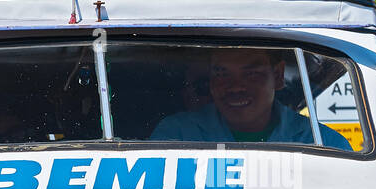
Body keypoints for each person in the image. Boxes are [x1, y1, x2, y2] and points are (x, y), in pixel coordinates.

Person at [151, 48, 352, 150]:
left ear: (278, 76)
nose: (235, 86)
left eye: (251, 73)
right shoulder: (176, 134)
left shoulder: (323, 142)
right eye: (222, 74)